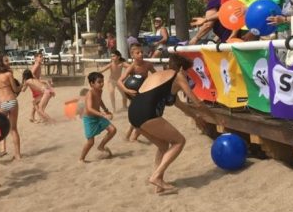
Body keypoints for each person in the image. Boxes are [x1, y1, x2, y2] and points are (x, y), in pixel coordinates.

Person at [128, 54, 202, 193]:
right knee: (179, 141)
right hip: (147, 113)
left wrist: (195, 118)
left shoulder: (162, 78)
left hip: (133, 114)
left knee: (163, 145)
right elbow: (196, 101)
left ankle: (158, 183)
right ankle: (156, 176)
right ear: (180, 68)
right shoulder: (178, 76)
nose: (186, 75)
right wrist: (213, 116)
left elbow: (180, 105)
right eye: (186, 71)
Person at [118, 43, 156, 142]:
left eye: (142, 52)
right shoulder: (132, 67)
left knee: (143, 116)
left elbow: (156, 75)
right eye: (138, 53)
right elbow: (119, 81)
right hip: (134, 94)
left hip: (145, 93)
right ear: (132, 55)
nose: (141, 54)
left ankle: (131, 136)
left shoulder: (148, 64)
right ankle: (130, 136)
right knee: (138, 116)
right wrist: (127, 90)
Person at [80, 72, 117, 163]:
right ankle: (81, 158)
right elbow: (89, 109)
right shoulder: (90, 93)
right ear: (92, 84)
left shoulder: (99, 90)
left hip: (98, 115)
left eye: (102, 81)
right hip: (89, 119)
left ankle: (101, 146)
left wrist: (106, 110)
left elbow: (99, 100)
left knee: (112, 130)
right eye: (99, 82)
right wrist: (103, 115)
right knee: (90, 142)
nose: (102, 84)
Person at [0, 54, 22, 159]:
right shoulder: (9, 74)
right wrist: (22, 85)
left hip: (2, 104)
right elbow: (15, 89)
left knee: (0, 128)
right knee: (13, 129)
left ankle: (3, 149)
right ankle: (18, 155)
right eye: (6, 61)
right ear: (1, 63)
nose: (8, 62)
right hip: (12, 101)